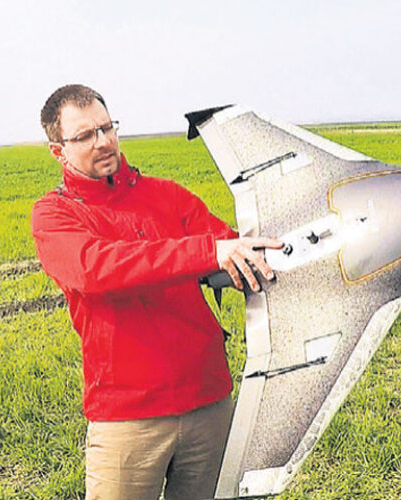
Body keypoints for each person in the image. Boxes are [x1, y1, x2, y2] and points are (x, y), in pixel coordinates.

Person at [31, 84, 282, 500]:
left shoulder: (167, 195)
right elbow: (97, 268)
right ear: (58, 151)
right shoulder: (54, 215)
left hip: (208, 403)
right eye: (85, 136)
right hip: (128, 419)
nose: (103, 141)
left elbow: (232, 247)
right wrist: (206, 252)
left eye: (107, 128)